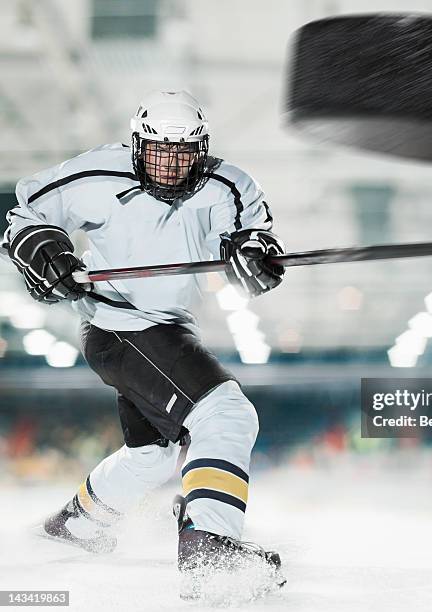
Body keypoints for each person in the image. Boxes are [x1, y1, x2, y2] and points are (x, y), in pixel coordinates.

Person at [1, 90, 286, 597]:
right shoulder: (96, 175)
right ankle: (209, 548)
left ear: (201, 149)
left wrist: (253, 257)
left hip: (164, 328)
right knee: (226, 414)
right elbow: (22, 217)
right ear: (137, 144)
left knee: (152, 454)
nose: (171, 165)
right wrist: (46, 250)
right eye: (158, 152)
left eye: (183, 153)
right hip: (120, 326)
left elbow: (250, 232)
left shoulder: (229, 185)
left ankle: (78, 525)